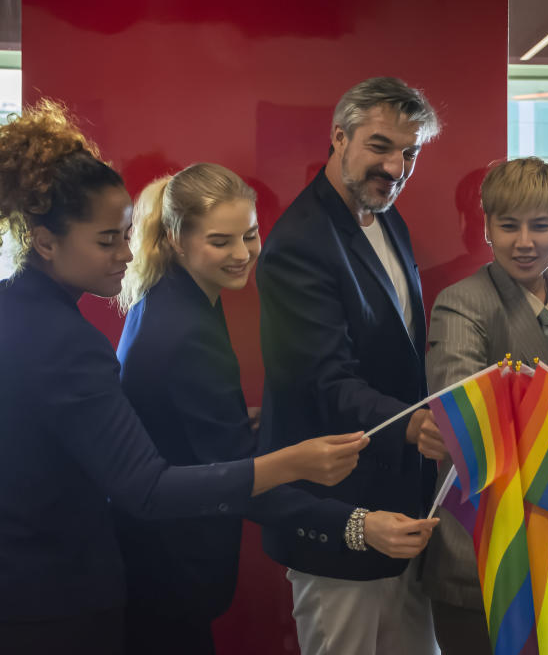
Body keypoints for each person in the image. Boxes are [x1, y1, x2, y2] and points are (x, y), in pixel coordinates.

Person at [0, 102, 364, 655]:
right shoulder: (68, 342)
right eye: (106, 240)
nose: (125, 252)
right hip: (55, 599)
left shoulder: (22, 309)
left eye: (125, 234)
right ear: (45, 242)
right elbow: (145, 488)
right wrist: (300, 462)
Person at [114, 163, 374, 654]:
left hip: (154, 559)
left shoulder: (166, 297)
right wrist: (357, 524)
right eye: (221, 242)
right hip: (168, 568)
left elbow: (180, 419)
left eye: (250, 236)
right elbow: (240, 485)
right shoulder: (187, 333)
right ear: (175, 239)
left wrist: (232, 414)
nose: (242, 255)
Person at [256, 77, 443, 654]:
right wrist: (416, 426)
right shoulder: (299, 244)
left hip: (407, 506)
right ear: (339, 138)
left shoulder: (388, 217)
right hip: (336, 511)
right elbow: (325, 381)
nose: (396, 166)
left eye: (409, 152)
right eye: (381, 146)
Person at [423, 156, 548, 654]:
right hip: (490, 551)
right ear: (486, 227)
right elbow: (468, 418)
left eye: (541, 225)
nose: (525, 242)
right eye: (508, 226)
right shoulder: (461, 303)